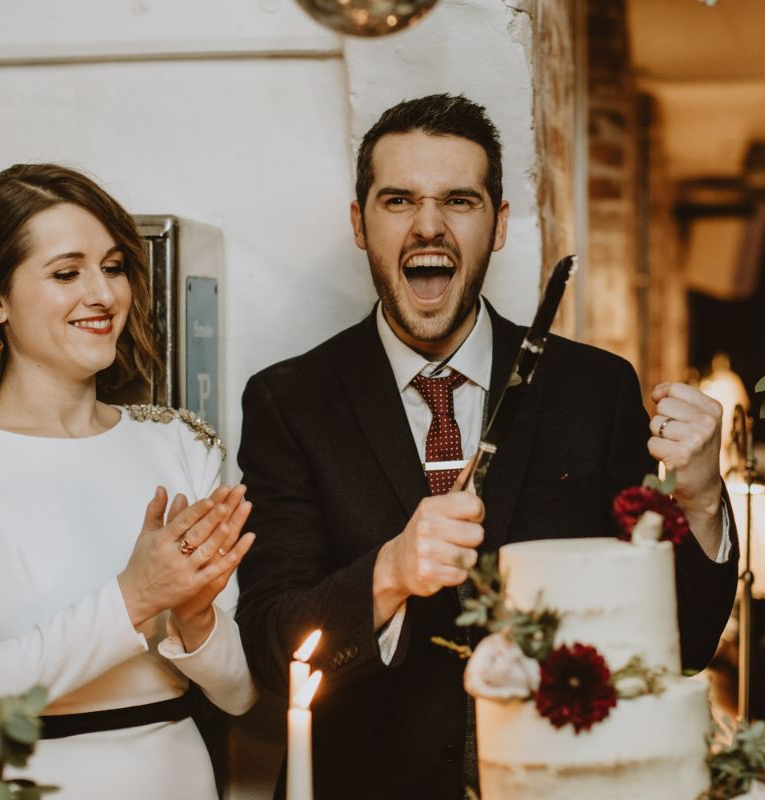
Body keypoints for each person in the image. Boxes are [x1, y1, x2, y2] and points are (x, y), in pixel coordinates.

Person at [236, 94, 739, 799]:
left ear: (498, 225)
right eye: (398, 200)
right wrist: (391, 572)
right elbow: (269, 646)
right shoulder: (288, 403)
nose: (429, 226)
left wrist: (703, 496)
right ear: (360, 224)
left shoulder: (595, 391)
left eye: (460, 201)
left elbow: (678, 641)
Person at [0, 164, 256, 799]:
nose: (103, 295)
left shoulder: (180, 444)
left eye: (112, 268)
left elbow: (241, 694)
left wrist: (196, 622)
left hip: (176, 780)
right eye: (66, 273)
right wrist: (134, 599)